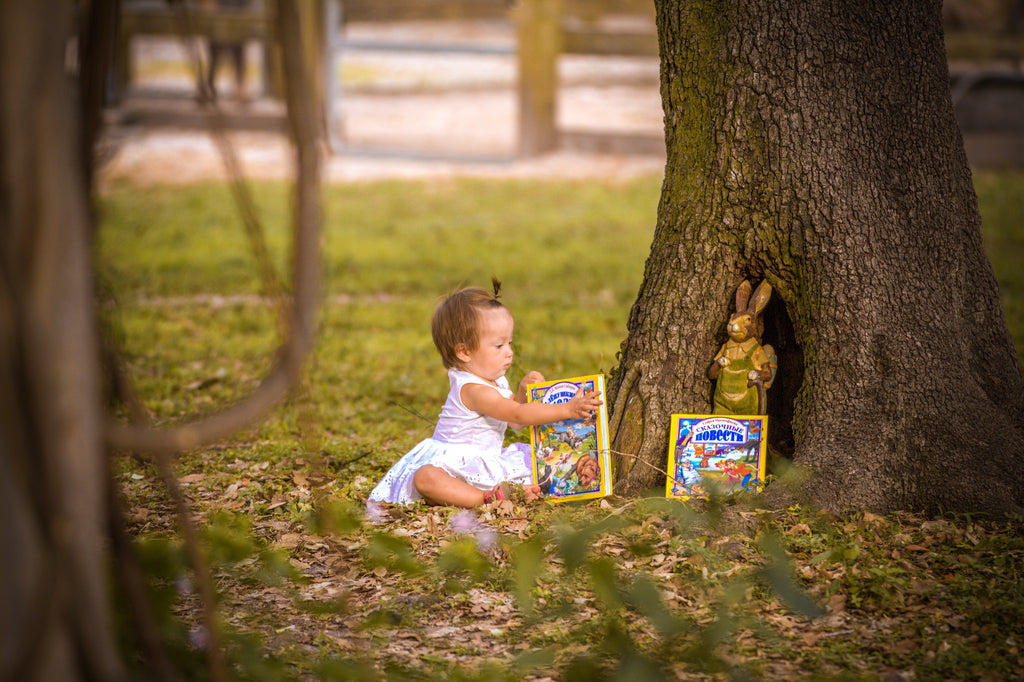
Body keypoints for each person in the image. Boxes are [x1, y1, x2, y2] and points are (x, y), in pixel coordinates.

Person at [368, 280, 602, 508]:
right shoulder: (474, 390)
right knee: (426, 477)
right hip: (452, 463)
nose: (509, 352)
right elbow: (518, 414)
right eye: (499, 346)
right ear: (464, 352)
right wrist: (567, 409)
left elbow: (513, 420)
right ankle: (484, 498)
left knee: (538, 461)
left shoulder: (494, 380)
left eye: (510, 342)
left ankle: (468, 494)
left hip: (482, 460)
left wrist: (522, 392)